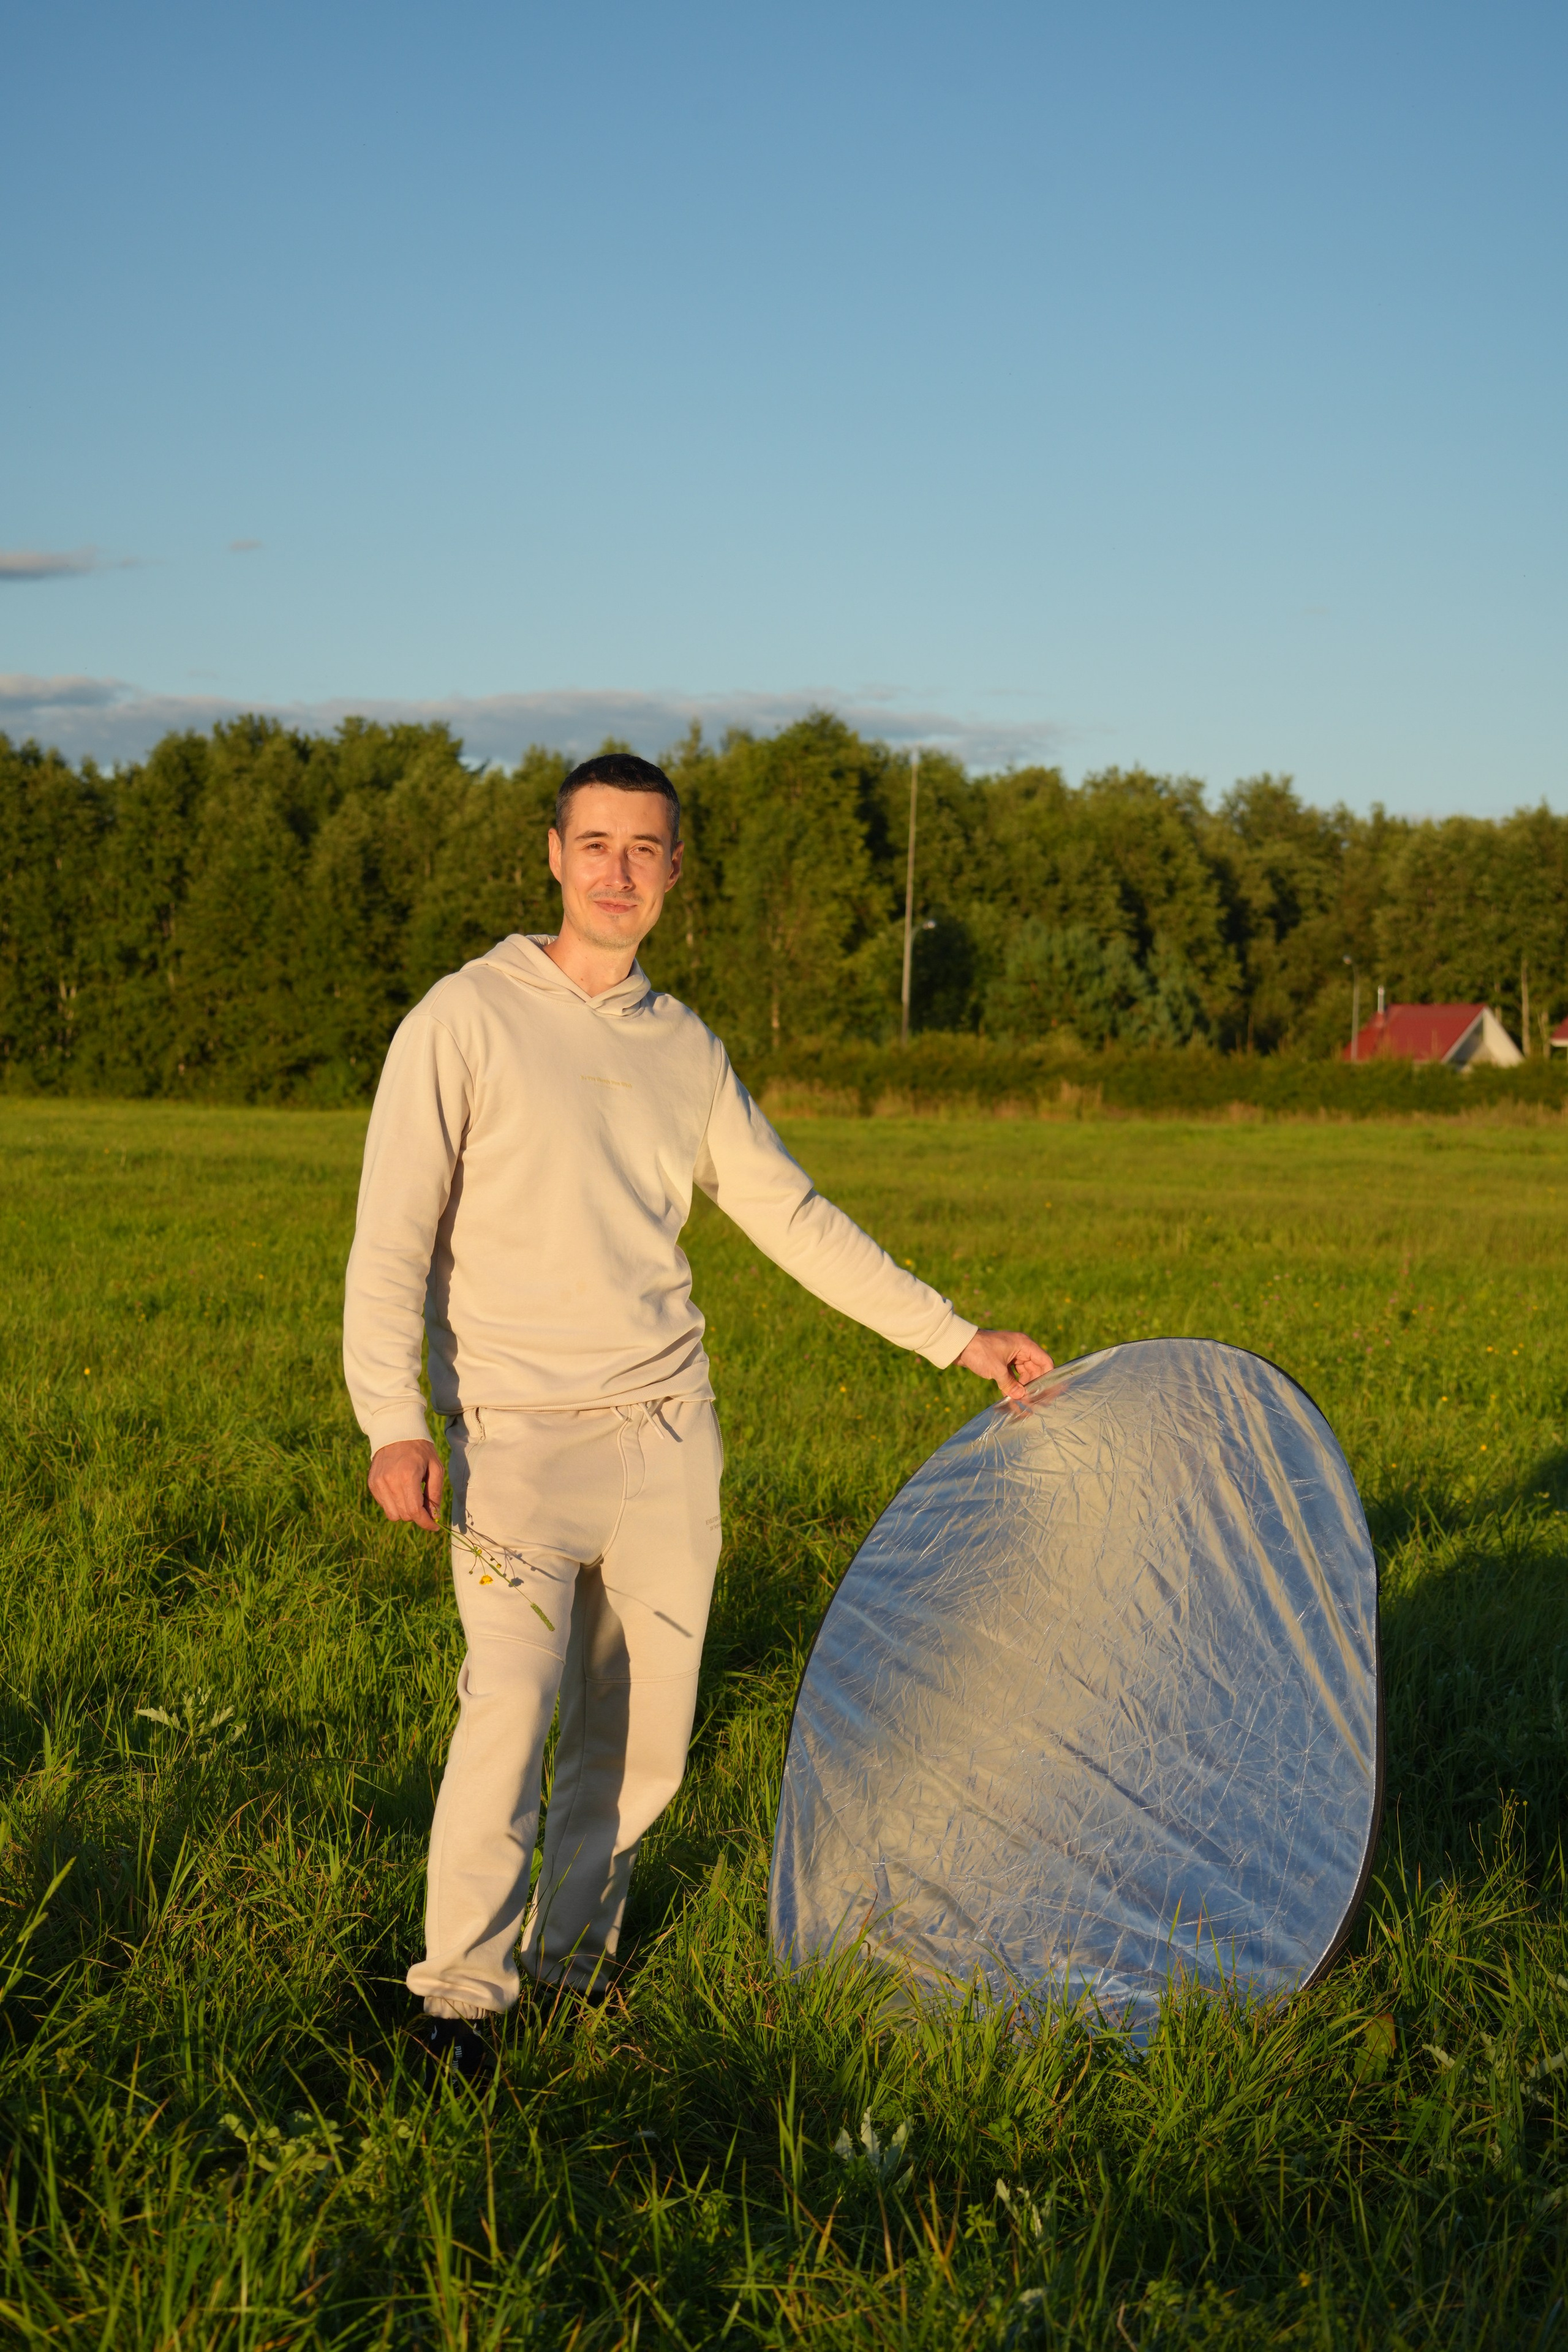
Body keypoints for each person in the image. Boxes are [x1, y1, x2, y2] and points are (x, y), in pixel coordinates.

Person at [342, 750, 1052, 2079]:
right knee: (507, 1705)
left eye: (644, 850)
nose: (618, 873)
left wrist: (957, 1338)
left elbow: (789, 1217)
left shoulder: (683, 1048)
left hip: (666, 1439)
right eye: (594, 845)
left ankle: (566, 1969)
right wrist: (394, 1415)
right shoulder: (464, 1016)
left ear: (675, 873)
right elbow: (391, 1236)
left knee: (640, 1733)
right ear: (550, 855)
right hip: (512, 1438)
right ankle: (456, 2008)